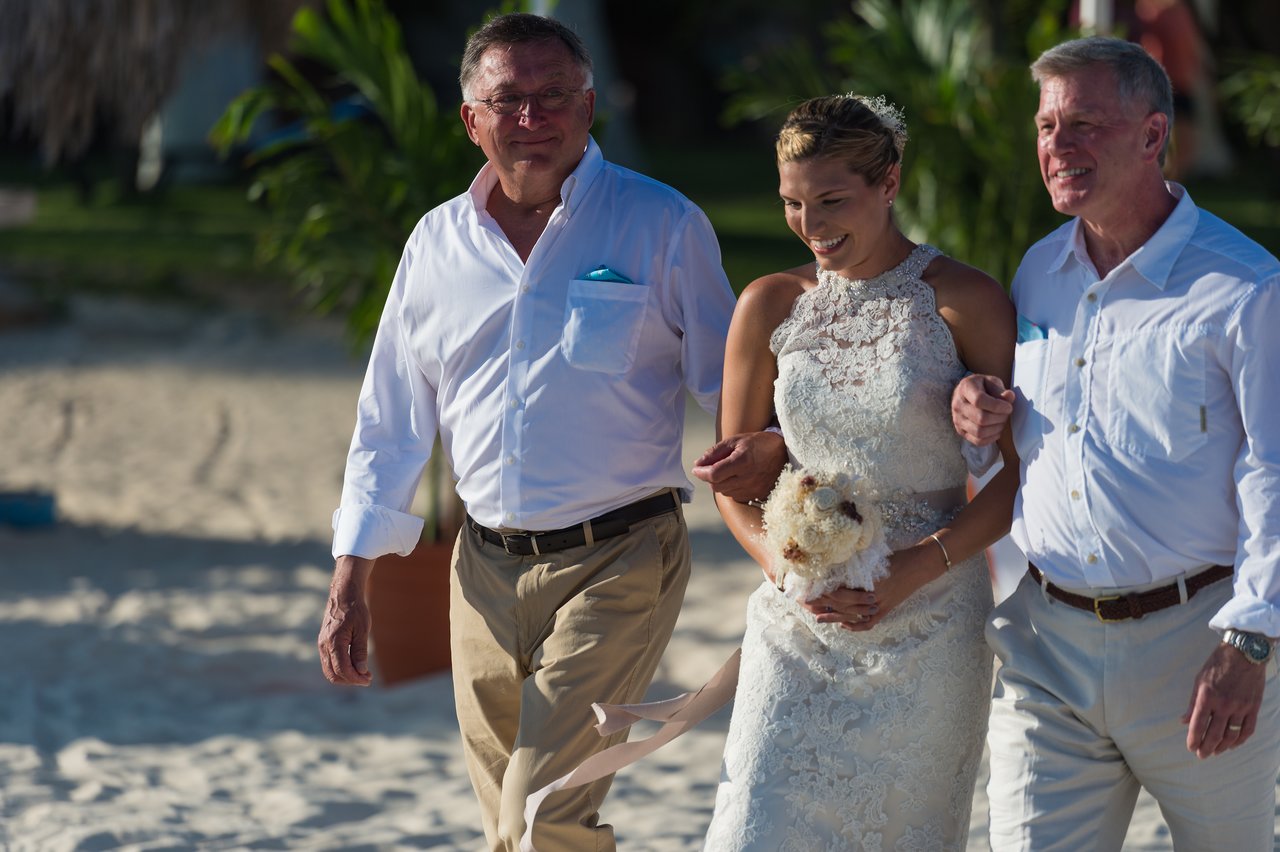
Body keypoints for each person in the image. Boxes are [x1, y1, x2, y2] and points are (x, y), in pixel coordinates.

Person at [313, 13, 752, 851]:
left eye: (554, 96)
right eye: (507, 99)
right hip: (477, 573)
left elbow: (727, 387)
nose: (532, 117)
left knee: (543, 806)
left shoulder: (661, 223)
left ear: (589, 108)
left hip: (621, 558)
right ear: (471, 121)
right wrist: (350, 580)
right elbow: (389, 424)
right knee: (507, 827)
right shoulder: (435, 245)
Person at [951, 36, 1280, 850]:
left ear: (1152, 135)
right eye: (1047, 126)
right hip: (1045, 644)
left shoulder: (1247, 290)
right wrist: (978, 416)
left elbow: (1274, 469)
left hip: (1199, 648)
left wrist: (1251, 639)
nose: (1058, 147)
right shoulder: (1037, 272)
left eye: (1085, 124)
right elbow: (1025, 450)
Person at [701, 94, 1018, 850]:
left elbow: (1022, 477)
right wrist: (784, 567)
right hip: (800, 620)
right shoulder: (769, 304)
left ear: (890, 183)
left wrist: (916, 567)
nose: (811, 227)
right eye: (791, 204)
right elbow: (730, 483)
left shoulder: (962, 300)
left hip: (934, 615)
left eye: (832, 201)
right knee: (756, 827)